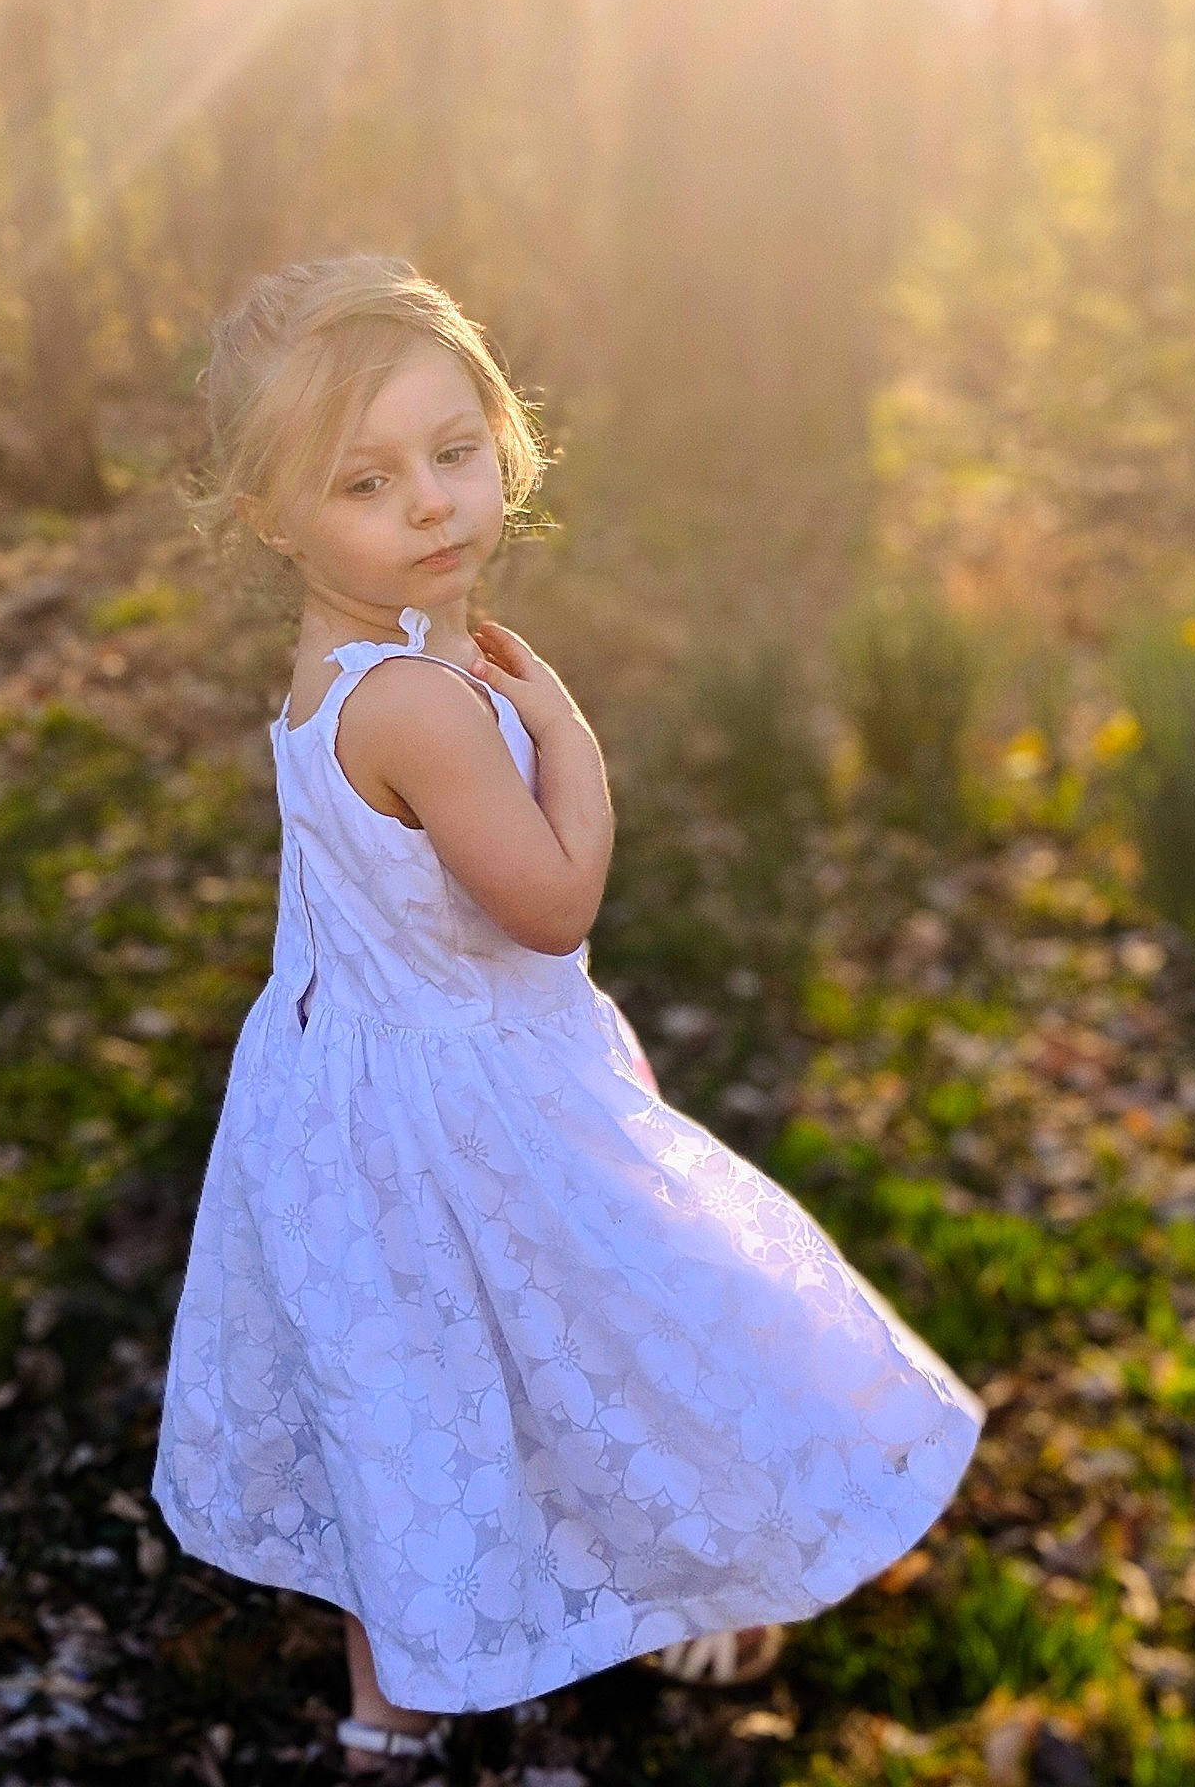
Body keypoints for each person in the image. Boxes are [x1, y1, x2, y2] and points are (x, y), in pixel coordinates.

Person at [150, 253, 986, 1774]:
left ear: (500, 440)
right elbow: (550, 906)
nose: (429, 505)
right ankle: (680, 1574)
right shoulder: (420, 703)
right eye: (364, 483)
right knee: (636, 1329)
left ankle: (393, 1720)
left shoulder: (351, 663)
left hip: (360, 1097)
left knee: (406, 1401)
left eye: (452, 452)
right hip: (451, 1114)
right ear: (273, 520)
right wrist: (569, 736)